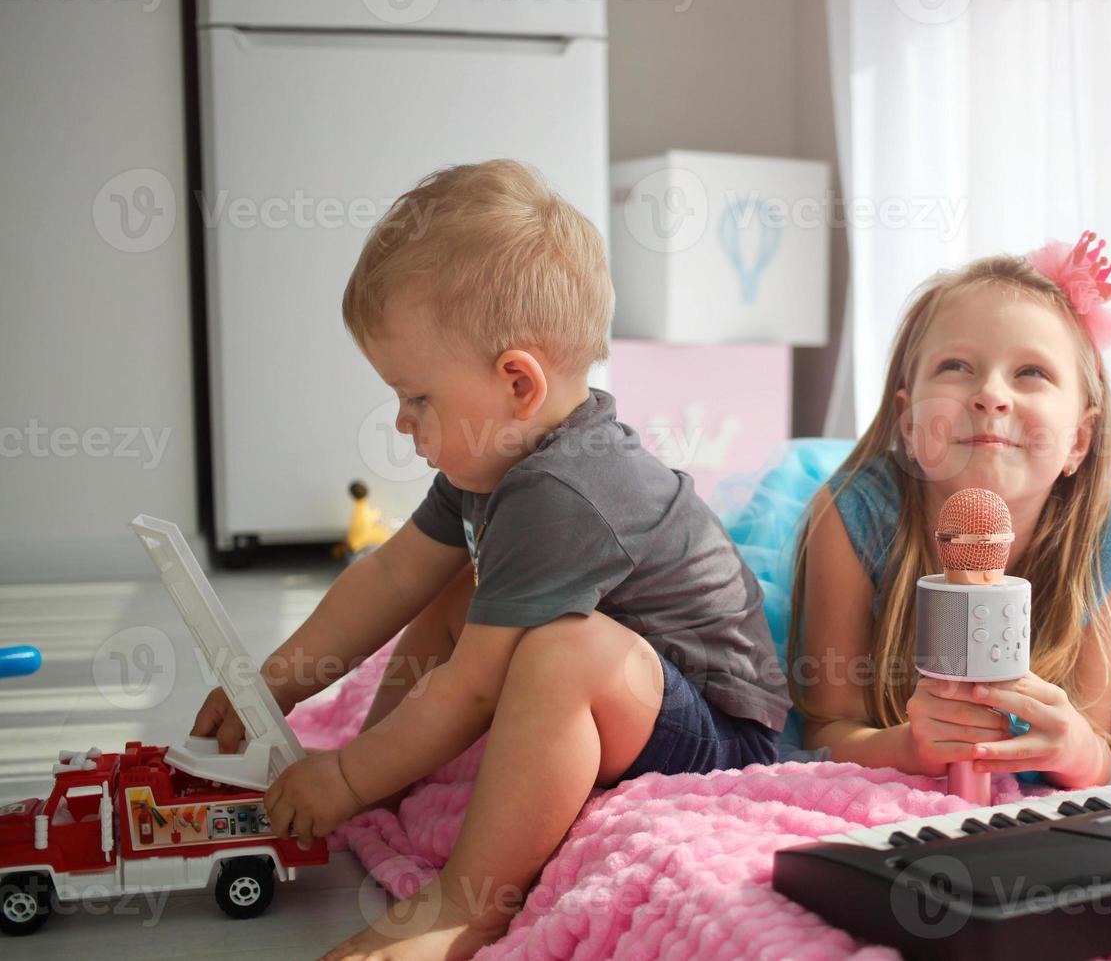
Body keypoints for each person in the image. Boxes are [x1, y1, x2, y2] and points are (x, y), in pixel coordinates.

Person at [189, 159, 789, 959]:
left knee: (560, 650)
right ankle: (387, 770)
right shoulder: (491, 464)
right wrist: (275, 682)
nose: (403, 422)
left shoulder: (562, 492)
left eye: (418, 397)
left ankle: (465, 904)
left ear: (517, 381)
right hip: (641, 695)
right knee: (454, 579)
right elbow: (394, 574)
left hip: (712, 739)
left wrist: (343, 777)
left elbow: (470, 691)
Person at [787, 233, 1111, 792]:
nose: (991, 395)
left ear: (1079, 441)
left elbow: (1095, 742)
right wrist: (909, 747)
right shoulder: (849, 517)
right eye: (956, 366)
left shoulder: (1105, 529)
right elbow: (825, 730)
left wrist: (1077, 751)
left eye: (1031, 373)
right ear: (909, 424)